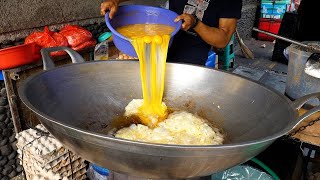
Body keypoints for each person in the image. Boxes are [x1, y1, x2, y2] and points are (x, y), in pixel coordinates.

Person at [101, 0, 242, 65]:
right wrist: (115, 0)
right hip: (157, 46)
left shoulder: (229, 2)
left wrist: (196, 24)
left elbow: (223, 39)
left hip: (191, 55)